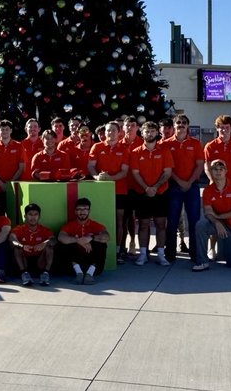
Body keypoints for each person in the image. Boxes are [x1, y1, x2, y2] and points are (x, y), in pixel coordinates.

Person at [130, 120, 173, 267]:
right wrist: (146, 188)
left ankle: (161, 254)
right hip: (142, 193)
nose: (150, 134)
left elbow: (167, 172)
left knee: (161, 224)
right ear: (142, 133)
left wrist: (155, 187)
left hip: (160, 193)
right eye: (147, 131)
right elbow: (135, 173)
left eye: (153, 131)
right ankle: (143, 254)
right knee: (143, 224)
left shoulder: (164, 151)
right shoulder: (136, 152)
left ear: (157, 133)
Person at [194, 159, 231, 271]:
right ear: (210, 171)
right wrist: (217, 222)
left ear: (226, 171)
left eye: (221, 169)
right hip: (219, 224)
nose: (218, 172)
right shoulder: (208, 190)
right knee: (201, 226)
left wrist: (219, 217)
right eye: (215, 169)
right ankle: (202, 262)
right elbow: (208, 212)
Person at [88, 121, 130, 261]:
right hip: (101, 190)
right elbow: (91, 166)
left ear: (119, 133)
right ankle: (99, 247)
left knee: (119, 220)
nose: (109, 133)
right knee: (100, 218)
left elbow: (124, 171)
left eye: (113, 130)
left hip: (120, 190)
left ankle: (118, 251)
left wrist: (110, 178)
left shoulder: (124, 149)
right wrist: (96, 177)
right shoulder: (97, 147)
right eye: (107, 130)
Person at [164, 114, 203, 264]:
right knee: (172, 221)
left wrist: (189, 182)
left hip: (192, 186)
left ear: (188, 126)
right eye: (178, 122)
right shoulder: (166, 144)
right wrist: (180, 181)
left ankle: (195, 254)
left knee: (194, 221)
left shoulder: (195, 143)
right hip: (174, 186)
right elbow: (167, 168)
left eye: (184, 123)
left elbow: (199, 165)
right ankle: (170, 254)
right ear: (174, 125)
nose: (181, 125)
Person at [57, 197, 109, 283]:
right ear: (75, 211)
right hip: (74, 265)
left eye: (85, 209)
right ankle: (79, 273)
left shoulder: (95, 225)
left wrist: (91, 238)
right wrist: (78, 240)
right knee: (63, 244)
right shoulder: (70, 225)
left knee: (101, 243)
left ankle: (89, 274)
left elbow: (106, 236)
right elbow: (61, 237)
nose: (82, 212)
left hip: (93, 264)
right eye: (79, 209)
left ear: (89, 211)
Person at [10, 202, 54, 286]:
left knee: (49, 246)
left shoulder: (44, 229)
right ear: (25, 216)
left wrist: (44, 243)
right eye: (30, 214)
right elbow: (12, 239)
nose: (33, 217)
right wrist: (22, 246)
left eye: (35, 214)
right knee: (17, 248)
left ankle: (45, 273)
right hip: (24, 261)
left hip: (40, 261)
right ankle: (24, 274)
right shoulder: (19, 229)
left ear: (39, 216)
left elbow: (54, 240)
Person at [203, 114, 231, 183]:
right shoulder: (210, 146)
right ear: (217, 128)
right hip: (216, 184)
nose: (224, 130)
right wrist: (213, 181)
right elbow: (207, 167)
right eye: (222, 127)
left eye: (227, 127)